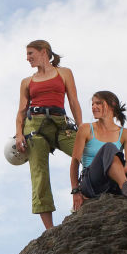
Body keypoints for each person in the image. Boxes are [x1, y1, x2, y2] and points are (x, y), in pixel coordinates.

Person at [15, 40, 83, 229]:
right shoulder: (27, 82)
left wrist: (82, 128)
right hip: (34, 127)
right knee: (40, 175)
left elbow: (73, 101)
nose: (27, 58)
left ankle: (83, 194)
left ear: (43, 52)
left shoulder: (64, 73)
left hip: (61, 124)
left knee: (88, 155)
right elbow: (21, 110)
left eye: (30, 53)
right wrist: (18, 134)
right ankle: (50, 230)